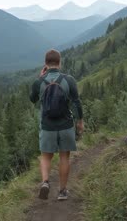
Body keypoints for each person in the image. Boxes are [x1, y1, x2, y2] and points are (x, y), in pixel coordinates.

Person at [30, 49, 84, 201]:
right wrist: (80, 121)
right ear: (59, 62)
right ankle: (62, 191)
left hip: (47, 126)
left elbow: (32, 99)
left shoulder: (39, 82)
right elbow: (76, 103)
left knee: (46, 157)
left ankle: (45, 182)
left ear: (45, 63)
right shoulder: (69, 80)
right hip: (66, 125)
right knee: (64, 157)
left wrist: (40, 78)